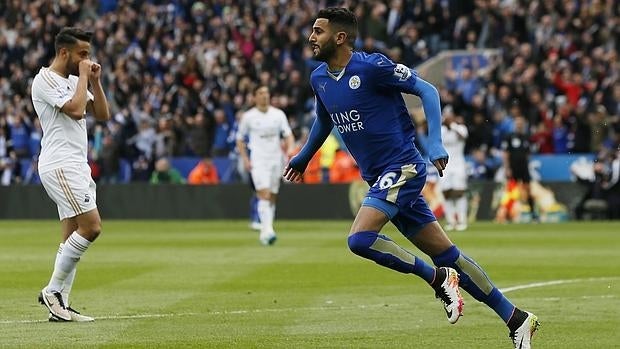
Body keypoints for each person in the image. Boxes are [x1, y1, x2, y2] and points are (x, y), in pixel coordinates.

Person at [283, 8, 539, 349]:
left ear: (340, 37)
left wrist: (434, 143)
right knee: (450, 255)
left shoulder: (372, 67)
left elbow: (428, 90)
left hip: (402, 168)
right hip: (380, 177)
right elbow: (324, 119)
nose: (311, 37)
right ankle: (517, 319)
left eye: (318, 31)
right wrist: (303, 157)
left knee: (359, 239)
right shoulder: (319, 78)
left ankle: (437, 280)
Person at [30, 27, 110, 322]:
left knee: (70, 236)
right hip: (59, 164)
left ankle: (60, 304)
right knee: (92, 227)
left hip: (77, 164)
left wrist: (96, 83)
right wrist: (85, 79)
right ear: (64, 53)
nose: (86, 59)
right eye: (82, 54)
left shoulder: (77, 79)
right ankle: (52, 292)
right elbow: (76, 110)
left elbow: (102, 114)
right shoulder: (44, 80)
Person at [237, 85, 295, 245]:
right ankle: (268, 230)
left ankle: (265, 230)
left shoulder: (278, 114)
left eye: (267, 93)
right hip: (259, 160)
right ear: (254, 97)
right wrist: (245, 159)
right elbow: (240, 139)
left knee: (273, 195)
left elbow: (288, 134)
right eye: (261, 93)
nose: (264, 96)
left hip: (276, 159)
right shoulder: (248, 117)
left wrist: (290, 149)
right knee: (264, 193)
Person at [501, 114, 539, 222]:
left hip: (524, 167)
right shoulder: (509, 137)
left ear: (524, 124)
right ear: (514, 124)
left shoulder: (527, 137)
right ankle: (507, 215)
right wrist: (507, 168)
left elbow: (528, 153)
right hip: (513, 168)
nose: (519, 125)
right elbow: (506, 153)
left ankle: (533, 214)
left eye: (521, 123)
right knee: (511, 192)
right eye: (517, 123)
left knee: (528, 190)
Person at [438, 106, 469, 231]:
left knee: (459, 192)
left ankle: (462, 220)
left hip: (459, 164)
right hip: (445, 164)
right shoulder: (441, 130)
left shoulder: (460, 128)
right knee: (446, 193)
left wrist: (453, 126)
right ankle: (451, 221)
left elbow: (463, 136)